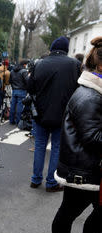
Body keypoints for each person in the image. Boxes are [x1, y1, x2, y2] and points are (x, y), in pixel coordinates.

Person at [50, 36, 102, 233]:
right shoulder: (89, 96)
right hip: (81, 170)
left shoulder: (96, 91)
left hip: (93, 169)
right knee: (68, 213)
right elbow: (92, 137)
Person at [27, 36, 81, 192]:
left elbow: (30, 88)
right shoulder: (75, 65)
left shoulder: (39, 64)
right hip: (62, 115)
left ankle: (35, 180)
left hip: (40, 114)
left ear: (51, 49)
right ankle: (51, 182)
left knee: (39, 146)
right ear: (66, 50)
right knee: (56, 148)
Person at [9, 59, 29, 125]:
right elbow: (27, 81)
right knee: (19, 107)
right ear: (24, 64)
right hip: (22, 90)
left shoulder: (12, 71)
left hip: (14, 90)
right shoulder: (24, 71)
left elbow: (10, 81)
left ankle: (11, 120)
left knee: (13, 106)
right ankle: (18, 121)